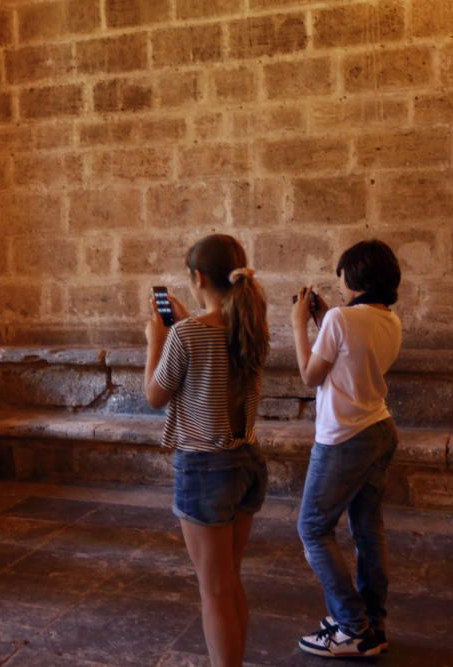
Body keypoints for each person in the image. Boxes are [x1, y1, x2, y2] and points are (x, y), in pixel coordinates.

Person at [143, 234, 270, 667]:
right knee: (229, 581)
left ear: (197, 277)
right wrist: (183, 324)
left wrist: (155, 340)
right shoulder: (252, 325)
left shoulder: (186, 334)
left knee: (212, 589)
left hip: (205, 468)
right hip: (248, 461)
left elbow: (155, 396)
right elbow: (212, 336)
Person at [292, 239, 402, 659]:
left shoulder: (340, 319)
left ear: (355, 279)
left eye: (343, 279)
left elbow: (310, 375)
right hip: (378, 428)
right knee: (367, 530)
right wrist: (326, 320)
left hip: (343, 438)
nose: (339, 288)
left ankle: (352, 626)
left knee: (313, 529)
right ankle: (374, 623)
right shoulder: (390, 320)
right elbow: (349, 358)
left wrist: (301, 324)